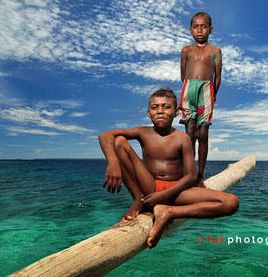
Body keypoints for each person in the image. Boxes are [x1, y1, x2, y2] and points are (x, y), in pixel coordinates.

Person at [98, 88, 238, 248]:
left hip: (176, 191)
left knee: (231, 202)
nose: (160, 111)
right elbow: (105, 135)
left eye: (166, 106)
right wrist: (113, 162)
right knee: (119, 142)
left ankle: (169, 212)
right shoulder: (142, 132)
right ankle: (139, 200)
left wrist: (164, 195)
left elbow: (191, 176)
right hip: (149, 188)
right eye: (155, 107)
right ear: (148, 112)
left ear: (176, 112)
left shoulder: (183, 139)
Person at [179, 12, 222, 187]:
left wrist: (213, 95)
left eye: (203, 26)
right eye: (196, 27)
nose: (199, 30)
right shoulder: (186, 50)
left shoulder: (215, 51)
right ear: (190, 30)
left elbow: (218, 76)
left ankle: (200, 176)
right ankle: (188, 174)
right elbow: (183, 74)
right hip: (189, 88)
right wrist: (189, 90)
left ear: (210, 29)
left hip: (206, 90)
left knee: (203, 133)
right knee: (189, 132)